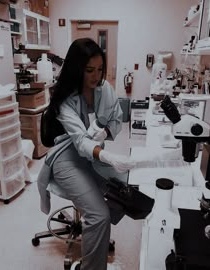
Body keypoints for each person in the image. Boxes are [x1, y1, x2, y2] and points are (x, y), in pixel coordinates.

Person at [37, 38, 136, 270]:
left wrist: (103, 134)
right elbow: (81, 142)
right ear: (76, 68)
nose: (96, 76)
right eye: (89, 70)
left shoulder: (104, 88)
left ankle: (96, 243)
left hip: (92, 153)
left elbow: (117, 119)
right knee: (99, 215)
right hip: (67, 157)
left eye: (100, 69)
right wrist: (107, 155)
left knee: (127, 190)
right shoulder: (64, 100)